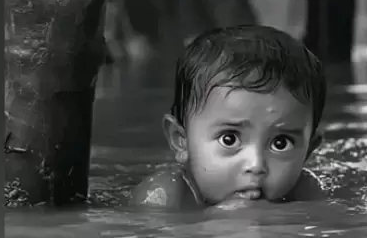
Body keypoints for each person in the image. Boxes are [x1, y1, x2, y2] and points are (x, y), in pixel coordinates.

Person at [130, 25, 327, 209]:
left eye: (281, 143)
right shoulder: (164, 198)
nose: (256, 165)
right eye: (229, 139)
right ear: (181, 140)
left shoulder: (305, 193)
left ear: (308, 149)